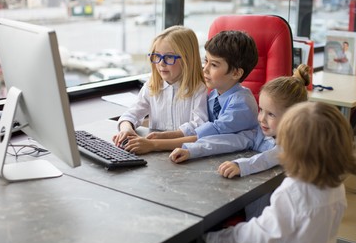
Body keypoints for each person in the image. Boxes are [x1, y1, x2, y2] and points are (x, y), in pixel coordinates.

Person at [204, 101, 356, 243]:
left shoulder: (294, 191)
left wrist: (213, 239)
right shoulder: (335, 185)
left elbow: (259, 237)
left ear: (295, 150)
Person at [119, 30, 259, 154]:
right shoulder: (214, 96)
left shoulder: (241, 102)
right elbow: (132, 112)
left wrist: (157, 142)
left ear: (236, 73)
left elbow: (208, 133)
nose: (205, 69)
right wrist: (128, 129)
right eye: (206, 61)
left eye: (214, 65)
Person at [169, 64, 310, 176]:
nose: (261, 118)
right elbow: (229, 140)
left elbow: (268, 158)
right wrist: (191, 150)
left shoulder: (294, 145)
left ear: (293, 117)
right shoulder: (259, 133)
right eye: (261, 110)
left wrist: (240, 166)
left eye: (271, 114)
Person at [112, 25, 208, 148]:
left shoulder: (198, 89)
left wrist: (163, 137)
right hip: (153, 150)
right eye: (157, 56)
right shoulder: (151, 86)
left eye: (169, 57)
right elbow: (131, 114)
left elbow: (200, 126)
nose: (161, 63)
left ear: (187, 60)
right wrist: (126, 128)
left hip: (182, 152)